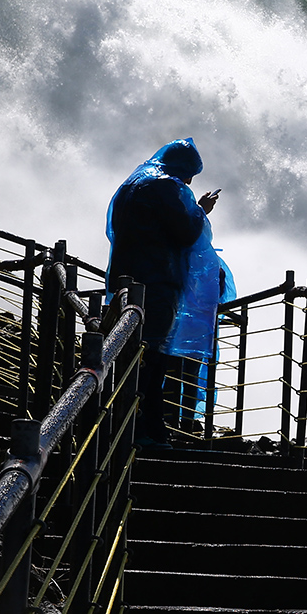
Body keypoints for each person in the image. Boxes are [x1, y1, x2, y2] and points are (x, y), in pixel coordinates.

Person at [105, 138, 232, 447]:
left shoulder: (135, 181)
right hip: (157, 282)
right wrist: (201, 210)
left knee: (134, 353)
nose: (188, 181)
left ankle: (135, 425)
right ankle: (145, 430)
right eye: (189, 173)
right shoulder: (166, 187)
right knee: (153, 358)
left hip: (127, 278)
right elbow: (186, 232)